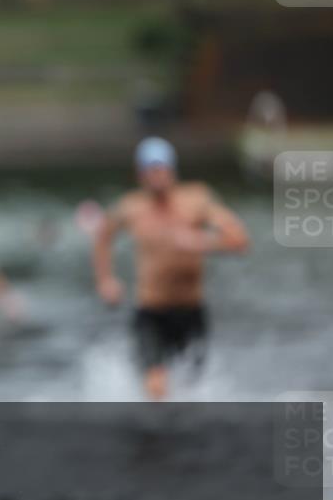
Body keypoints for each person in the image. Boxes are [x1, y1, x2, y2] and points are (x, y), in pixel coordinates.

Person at [93, 137, 249, 401]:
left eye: (161, 169)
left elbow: (240, 240)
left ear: (172, 170)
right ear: (140, 174)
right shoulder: (131, 208)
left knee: (193, 390)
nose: (156, 177)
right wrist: (106, 280)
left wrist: (201, 241)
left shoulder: (197, 200)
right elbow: (103, 235)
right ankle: (157, 439)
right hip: (151, 311)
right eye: (150, 170)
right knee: (156, 386)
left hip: (191, 311)